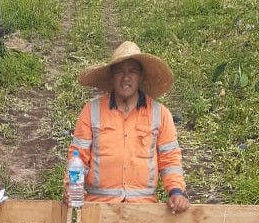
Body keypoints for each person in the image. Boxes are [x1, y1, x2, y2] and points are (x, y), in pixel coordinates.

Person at [66, 42, 189, 214]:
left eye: (133, 72)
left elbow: (170, 159)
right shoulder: (91, 111)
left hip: (143, 209)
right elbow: (78, 156)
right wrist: (72, 188)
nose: (126, 77)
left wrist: (176, 191)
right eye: (120, 72)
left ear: (141, 77)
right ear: (111, 77)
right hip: (98, 208)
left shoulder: (160, 114)